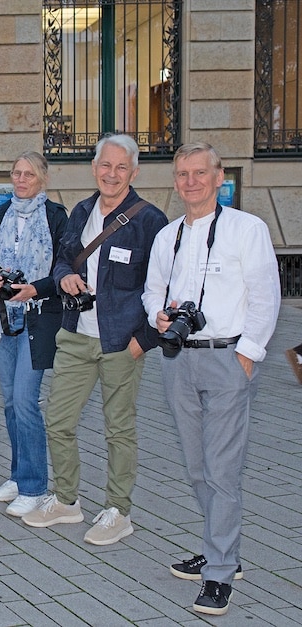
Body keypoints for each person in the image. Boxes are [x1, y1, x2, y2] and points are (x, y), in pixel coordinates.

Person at [143, 142, 280, 616]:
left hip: (228, 359)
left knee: (222, 470)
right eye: (182, 174)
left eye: (200, 173)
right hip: (178, 358)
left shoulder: (247, 229)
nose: (191, 182)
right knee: (197, 466)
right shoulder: (168, 235)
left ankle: (220, 571)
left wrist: (249, 354)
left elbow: (266, 294)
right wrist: (159, 317)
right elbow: (152, 289)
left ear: (219, 177)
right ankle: (220, 544)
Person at [21, 135, 168, 546]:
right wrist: (65, 274)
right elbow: (64, 256)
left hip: (122, 342)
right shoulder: (82, 211)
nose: (112, 174)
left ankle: (118, 511)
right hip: (75, 335)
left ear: (134, 172)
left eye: (122, 167)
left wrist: (144, 340)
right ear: (94, 167)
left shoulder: (150, 220)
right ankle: (67, 501)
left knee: (118, 429)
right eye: (106, 165)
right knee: (58, 421)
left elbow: (163, 285)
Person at [0, 152, 68, 518]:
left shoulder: (56, 217)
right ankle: (19, 475)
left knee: (25, 401)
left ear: (42, 178)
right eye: (16, 173)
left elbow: (65, 268)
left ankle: (34, 486)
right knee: (10, 403)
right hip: (2, 319)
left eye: (28, 174)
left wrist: (36, 288)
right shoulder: (1, 214)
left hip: (37, 318)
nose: (20, 180)